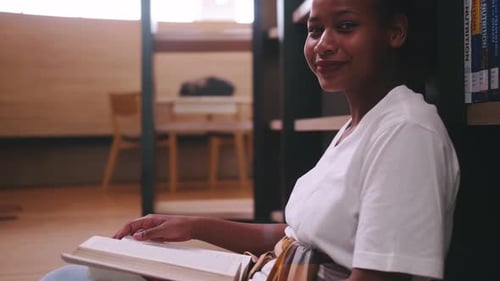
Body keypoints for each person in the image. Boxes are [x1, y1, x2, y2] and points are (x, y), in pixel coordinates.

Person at [40, 0, 460, 280]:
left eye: (346, 26)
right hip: (262, 271)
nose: (323, 45)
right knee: (76, 273)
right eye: (315, 30)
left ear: (396, 32)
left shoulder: (406, 132)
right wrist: (192, 227)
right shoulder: (358, 125)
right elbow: (296, 235)